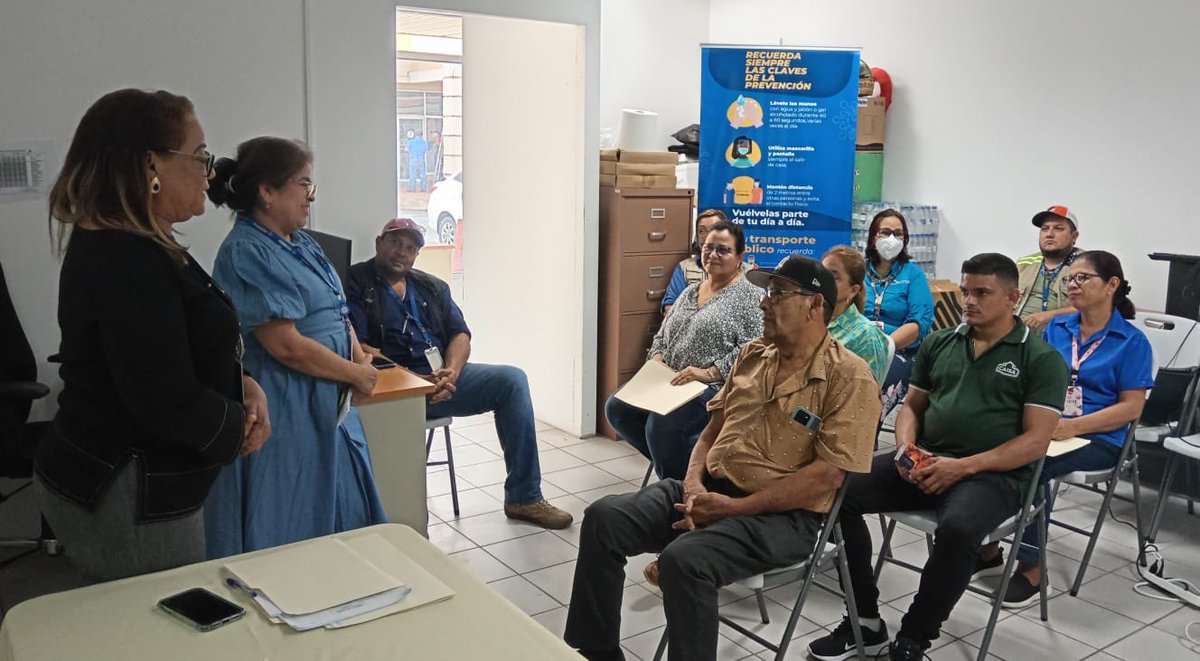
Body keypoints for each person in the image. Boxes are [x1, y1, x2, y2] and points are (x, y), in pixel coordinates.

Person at [565, 255, 881, 661]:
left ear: (815, 306)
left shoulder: (849, 377)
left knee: (683, 560)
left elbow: (825, 479)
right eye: (767, 293)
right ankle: (598, 651)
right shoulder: (753, 355)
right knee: (603, 518)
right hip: (712, 488)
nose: (764, 304)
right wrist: (695, 483)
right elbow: (711, 432)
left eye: (778, 295)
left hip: (782, 518)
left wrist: (733, 509)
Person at [33, 89, 271, 582]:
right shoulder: (127, 260)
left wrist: (242, 384)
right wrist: (236, 429)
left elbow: (176, 346)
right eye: (200, 155)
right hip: (131, 491)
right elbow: (164, 399)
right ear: (150, 166)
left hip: (128, 475)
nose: (210, 171)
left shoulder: (138, 241)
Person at [808, 253, 1069, 661]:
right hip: (925, 459)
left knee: (959, 530)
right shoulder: (941, 342)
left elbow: (1036, 443)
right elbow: (911, 408)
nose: (969, 300)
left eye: (982, 292)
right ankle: (865, 620)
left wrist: (961, 467)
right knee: (832, 488)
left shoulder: (1040, 359)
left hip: (992, 475)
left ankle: (914, 637)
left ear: (1012, 298)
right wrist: (908, 449)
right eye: (966, 291)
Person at [203, 137, 387, 558]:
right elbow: (286, 346)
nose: (310, 196)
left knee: (345, 514)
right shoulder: (246, 250)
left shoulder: (299, 242)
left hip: (328, 400)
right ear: (267, 191)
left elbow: (338, 310)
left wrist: (359, 358)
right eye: (303, 184)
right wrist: (355, 373)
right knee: (291, 521)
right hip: (287, 404)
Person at [345, 219, 572, 529]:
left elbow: (460, 333)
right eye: (395, 243)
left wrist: (450, 372)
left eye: (411, 247)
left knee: (512, 380)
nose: (402, 252)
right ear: (378, 243)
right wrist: (413, 380)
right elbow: (358, 344)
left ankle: (524, 497)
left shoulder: (431, 286)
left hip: (439, 381)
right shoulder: (356, 281)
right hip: (396, 390)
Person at [982, 250, 1154, 608]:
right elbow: (1035, 379)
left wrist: (1069, 427)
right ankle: (987, 547)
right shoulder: (1058, 328)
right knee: (985, 443)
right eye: (1069, 279)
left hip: (1099, 435)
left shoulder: (1132, 342)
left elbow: (1130, 408)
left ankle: (1031, 566)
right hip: (1049, 423)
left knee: (1031, 464)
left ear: (1111, 285)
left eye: (1082, 278)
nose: (1072, 285)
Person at [606, 220, 763, 480]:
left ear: (740, 256)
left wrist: (710, 373)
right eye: (707, 247)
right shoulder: (691, 291)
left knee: (661, 426)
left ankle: (678, 492)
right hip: (668, 379)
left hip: (712, 388)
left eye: (723, 250)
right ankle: (684, 473)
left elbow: (756, 349)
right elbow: (662, 333)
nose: (712, 254)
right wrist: (656, 357)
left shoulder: (750, 296)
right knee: (617, 408)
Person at [861, 209, 934, 419]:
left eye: (898, 233)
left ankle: (865, 442)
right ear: (873, 236)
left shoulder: (913, 275)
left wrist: (884, 347)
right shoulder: (859, 271)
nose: (892, 239)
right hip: (858, 346)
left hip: (899, 351)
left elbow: (920, 324)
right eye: (885, 232)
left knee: (873, 391)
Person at [661, 209, 751, 315]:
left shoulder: (749, 272)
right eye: (701, 231)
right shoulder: (685, 268)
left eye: (715, 230)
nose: (708, 236)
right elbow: (669, 305)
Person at [823, 246, 891, 383]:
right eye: (821, 274)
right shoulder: (810, 322)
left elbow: (867, 396)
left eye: (833, 276)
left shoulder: (866, 337)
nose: (823, 281)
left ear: (853, 290)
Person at [1016, 205, 1083, 331]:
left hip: (1062, 338)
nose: (1049, 234)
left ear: (1074, 236)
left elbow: (1096, 307)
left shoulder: (1086, 265)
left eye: (1058, 229)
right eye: (1045, 229)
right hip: (1018, 335)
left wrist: (1049, 316)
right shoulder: (1024, 263)